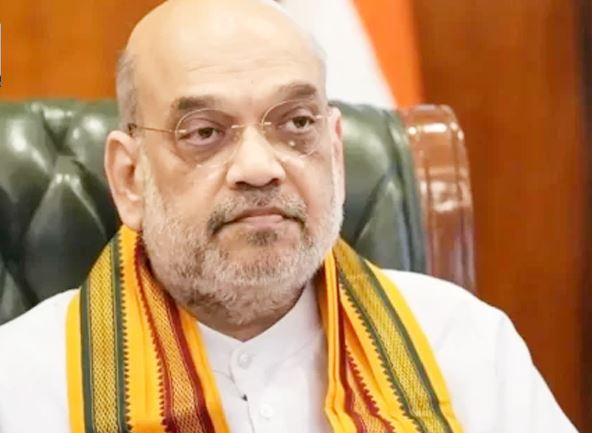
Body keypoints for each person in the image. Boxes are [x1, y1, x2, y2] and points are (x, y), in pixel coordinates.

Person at [0, 0, 579, 432]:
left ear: (335, 153)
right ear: (130, 178)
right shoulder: (22, 384)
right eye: (204, 132)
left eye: (296, 123)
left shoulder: (466, 347)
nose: (259, 168)